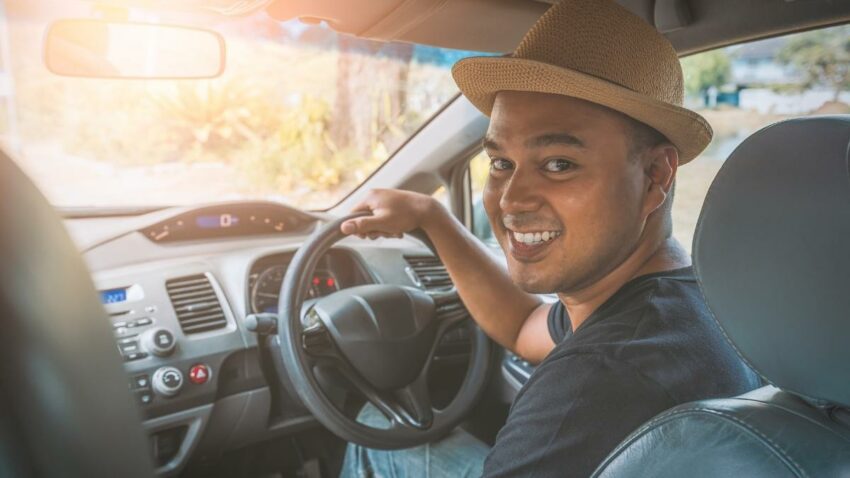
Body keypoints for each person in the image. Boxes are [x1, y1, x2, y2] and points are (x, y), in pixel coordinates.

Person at [339, 0, 760, 476]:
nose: (509, 200)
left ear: (654, 177)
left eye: (559, 164)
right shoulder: (682, 297)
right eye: (501, 164)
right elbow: (524, 328)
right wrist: (431, 217)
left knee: (380, 432)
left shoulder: (598, 382)